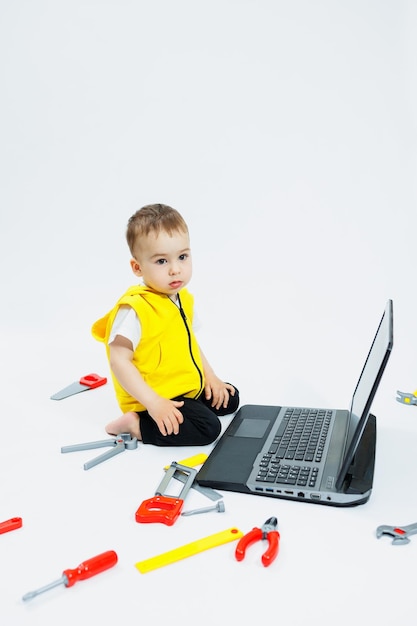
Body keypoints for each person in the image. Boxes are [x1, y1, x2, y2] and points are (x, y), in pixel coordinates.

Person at [92, 203, 239, 446]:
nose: (175, 269)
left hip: (182, 386)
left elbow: (190, 341)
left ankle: (192, 404)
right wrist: (154, 403)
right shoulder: (135, 309)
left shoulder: (182, 298)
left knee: (229, 398)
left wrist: (211, 377)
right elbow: (119, 361)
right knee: (208, 429)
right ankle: (137, 424)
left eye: (182, 257)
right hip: (153, 397)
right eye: (161, 261)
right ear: (137, 267)